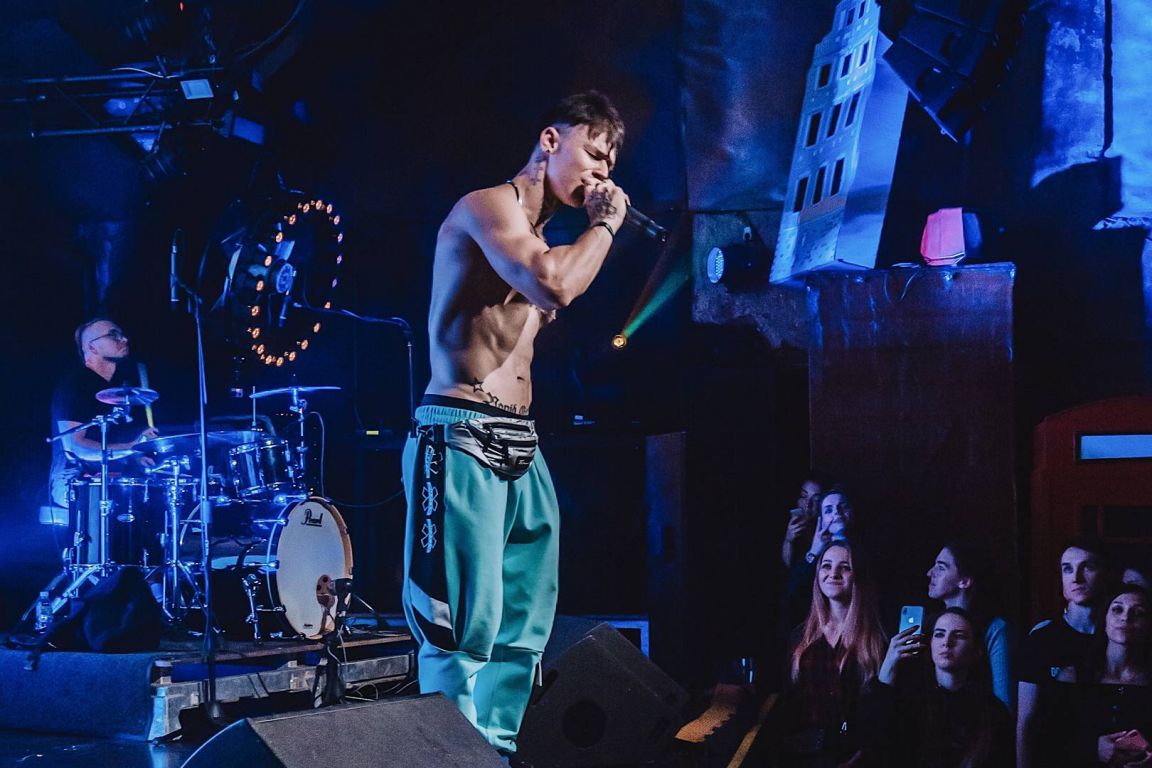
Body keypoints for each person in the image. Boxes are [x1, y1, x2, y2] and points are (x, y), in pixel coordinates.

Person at [400, 91, 627, 757]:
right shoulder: (487, 206)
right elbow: (556, 284)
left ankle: (493, 752)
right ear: (550, 140)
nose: (601, 173)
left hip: (520, 439)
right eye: (594, 152)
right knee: (460, 627)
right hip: (459, 430)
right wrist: (605, 227)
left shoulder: (538, 240)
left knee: (522, 630)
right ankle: (447, 759)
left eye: (610, 164)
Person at [760, 541, 887, 767]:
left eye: (845, 567)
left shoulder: (875, 640)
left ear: (858, 575)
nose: (833, 573)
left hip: (852, 755)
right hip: (801, 754)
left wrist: (860, 756)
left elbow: (878, 712)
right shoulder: (801, 635)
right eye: (826, 566)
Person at [871, 608, 1014, 767]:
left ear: (977, 651)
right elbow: (876, 742)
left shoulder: (992, 712)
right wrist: (890, 662)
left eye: (959, 636)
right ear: (930, 644)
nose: (947, 642)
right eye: (939, 634)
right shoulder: (911, 703)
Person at [49, 318, 158, 510]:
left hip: (109, 476)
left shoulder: (115, 389)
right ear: (92, 347)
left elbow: (109, 441)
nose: (124, 339)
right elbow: (75, 447)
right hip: (74, 480)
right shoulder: (76, 385)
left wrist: (136, 457)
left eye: (123, 335)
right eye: (113, 335)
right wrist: (131, 448)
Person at [1017, 540, 1108, 768]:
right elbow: (1026, 723)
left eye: (1087, 567)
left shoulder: (1118, 636)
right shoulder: (1042, 639)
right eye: (1067, 569)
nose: (1076, 577)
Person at [1045, 586, 1152, 766]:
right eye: (1117, 609)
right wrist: (1093, 748)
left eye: (1139, 613)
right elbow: (1049, 739)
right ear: (1104, 618)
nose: (1126, 617)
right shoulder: (1073, 676)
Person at [926, 541, 1016, 709]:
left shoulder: (994, 628)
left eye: (941, 567)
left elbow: (1004, 702)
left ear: (965, 581)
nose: (930, 573)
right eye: (940, 634)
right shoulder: (929, 625)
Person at [781, 472, 834, 569]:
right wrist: (788, 541)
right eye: (804, 496)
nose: (808, 504)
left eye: (816, 499)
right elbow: (789, 568)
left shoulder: (830, 530)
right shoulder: (788, 523)